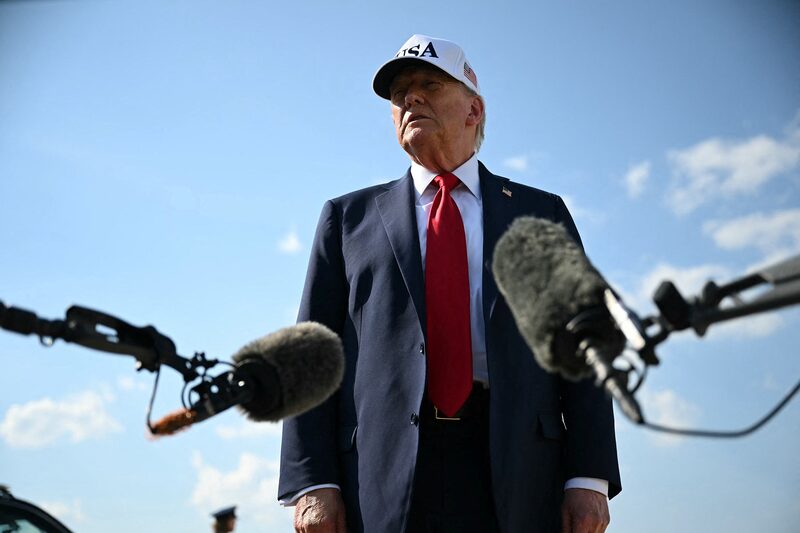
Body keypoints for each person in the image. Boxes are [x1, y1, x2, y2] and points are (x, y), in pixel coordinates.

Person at [279, 34, 621, 533]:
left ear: (473, 110)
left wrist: (588, 477)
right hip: (378, 476)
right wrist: (312, 483)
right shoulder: (347, 219)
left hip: (519, 467)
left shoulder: (539, 212)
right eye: (399, 94)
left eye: (428, 84)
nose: (410, 98)